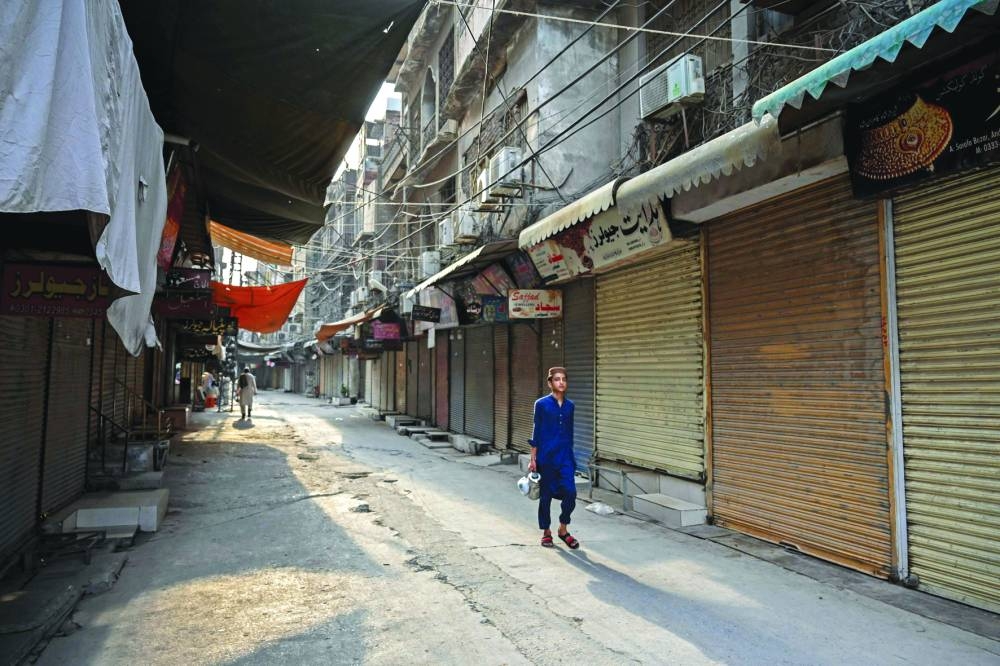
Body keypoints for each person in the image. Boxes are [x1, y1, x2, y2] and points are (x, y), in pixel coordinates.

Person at [529, 367, 579, 549]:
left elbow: (570, 432)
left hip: (565, 457)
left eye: (564, 379)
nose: (561, 382)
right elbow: (536, 430)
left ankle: (563, 529)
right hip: (546, 457)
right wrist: (533, 457)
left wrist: (572, 457)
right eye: (557, 379)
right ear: (550, 383)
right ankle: (546, 532)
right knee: (546, 496)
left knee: (571, 493)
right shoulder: (541, 404)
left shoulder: (570, 406)